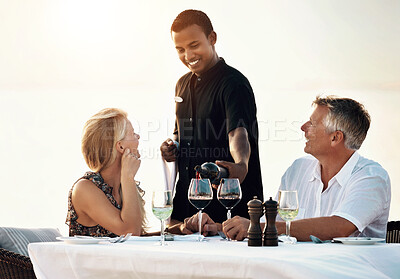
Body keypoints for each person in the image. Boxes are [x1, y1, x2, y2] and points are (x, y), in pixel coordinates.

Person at [222, 95, 391, 241]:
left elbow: (340, 227)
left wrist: (259, 227)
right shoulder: (298, 169)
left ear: (335, 137)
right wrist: (221, 228)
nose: (303, 128)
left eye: (312, 123)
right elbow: (273, 222)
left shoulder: (372, 177)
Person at [160, 9, 263, 234]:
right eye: (180, 49)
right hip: (185, 204)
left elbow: (238, 133)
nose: (187, 55)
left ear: (212, 39)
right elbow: (180, 133)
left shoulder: (234, 84)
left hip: (228, 210)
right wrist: (172, 147)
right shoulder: (181, 85)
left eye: (194, 45)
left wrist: (241, 164)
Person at [66, 108, 147, 237]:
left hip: (120, 257)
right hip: (92, 258)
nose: (138, 137)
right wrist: (128, 176)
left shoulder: (122, 186)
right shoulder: (85, 188)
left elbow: (137, 236)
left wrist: (177, 230)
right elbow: (131, 233)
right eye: (133, 134)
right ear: (120, 146)